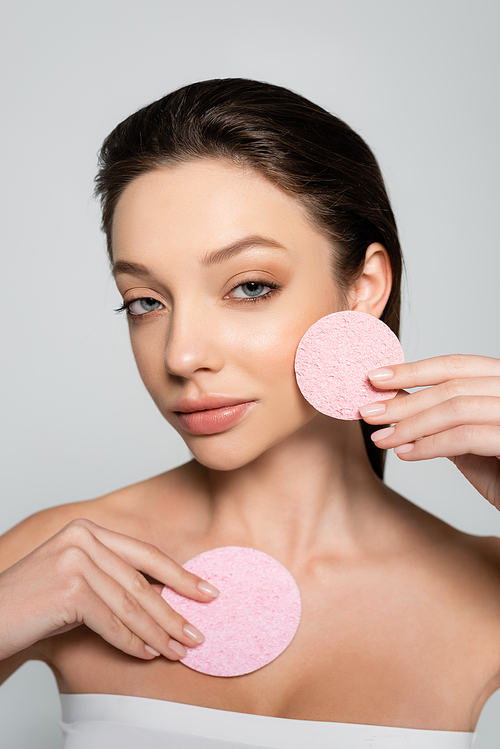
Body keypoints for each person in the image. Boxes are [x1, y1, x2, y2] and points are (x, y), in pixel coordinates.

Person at [1, 78, 499, 748]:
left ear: (364, 288)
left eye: (249, 286)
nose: (181, 355)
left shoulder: (483, 589)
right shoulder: (67, 557)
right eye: (145, 300)